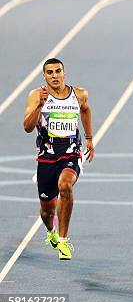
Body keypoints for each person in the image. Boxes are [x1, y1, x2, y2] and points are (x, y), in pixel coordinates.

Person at [23, 58, 94, 260]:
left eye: (58, 71)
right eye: (50, 72)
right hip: (46, 157)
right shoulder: (36, 95)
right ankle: (51, 232)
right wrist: (40, 105)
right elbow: (27, 127)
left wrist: (88, 138)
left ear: (64, 73)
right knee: (47, 211)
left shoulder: (79, 94)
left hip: (71, 151)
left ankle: (63, 241)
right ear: (44, 76)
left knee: (65, 185)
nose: (55, 76)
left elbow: (86, 110)